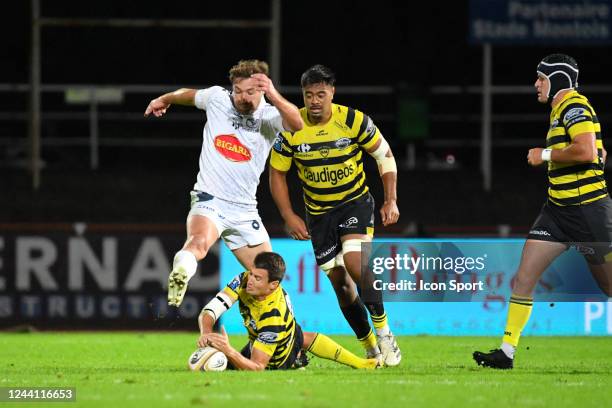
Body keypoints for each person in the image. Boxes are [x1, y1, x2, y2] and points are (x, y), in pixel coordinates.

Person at [473, 54, 612, 369]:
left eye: (541, 78)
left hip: (588, 212)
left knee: (609, 286)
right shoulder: (561, 111)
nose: (536, 84)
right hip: (557, 212)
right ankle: (506, 353)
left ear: (559, 80)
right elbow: (595, 150)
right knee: (524, 276)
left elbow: (587, 149)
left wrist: (544, 154)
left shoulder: (574, 106)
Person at [268, 65, 401, 366]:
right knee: (341, 285)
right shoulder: (291, 126)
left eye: (321, 94)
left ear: (332, 93)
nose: (314, 101)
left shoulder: (352, 120)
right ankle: (369, 346)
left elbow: (384, 155)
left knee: (356, 262)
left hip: (355, 203)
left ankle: (385, 333)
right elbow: (276, 173)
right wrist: (288, 215)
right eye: (309, 95)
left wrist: (390, 199)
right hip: (319, 216)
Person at [144, 60, 303, 307]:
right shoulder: (218, 98)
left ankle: (278, 336)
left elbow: (297, 124)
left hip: (244, 209)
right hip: (210, 198)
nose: (242, 98)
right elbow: (187, 94)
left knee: (268, 278)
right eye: (238, 91)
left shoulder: (271, 116)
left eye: (250, 92)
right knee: (198, 242)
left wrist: (273, 93)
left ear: (263, 89)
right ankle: (183, 271)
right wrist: (165, 99)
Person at [198, 252, 379, 370]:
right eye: (252, 273)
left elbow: (257, 367)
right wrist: (206, 331)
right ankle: (358, 363)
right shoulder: (245, 280)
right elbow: (213, 307)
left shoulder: (272, 316)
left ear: (273, 285)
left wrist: (229, 351)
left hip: (274, 360)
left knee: (219, 363)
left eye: (258, 278)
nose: (251, 280)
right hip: (275, 335)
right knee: (300, 335)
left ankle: (292, 361)